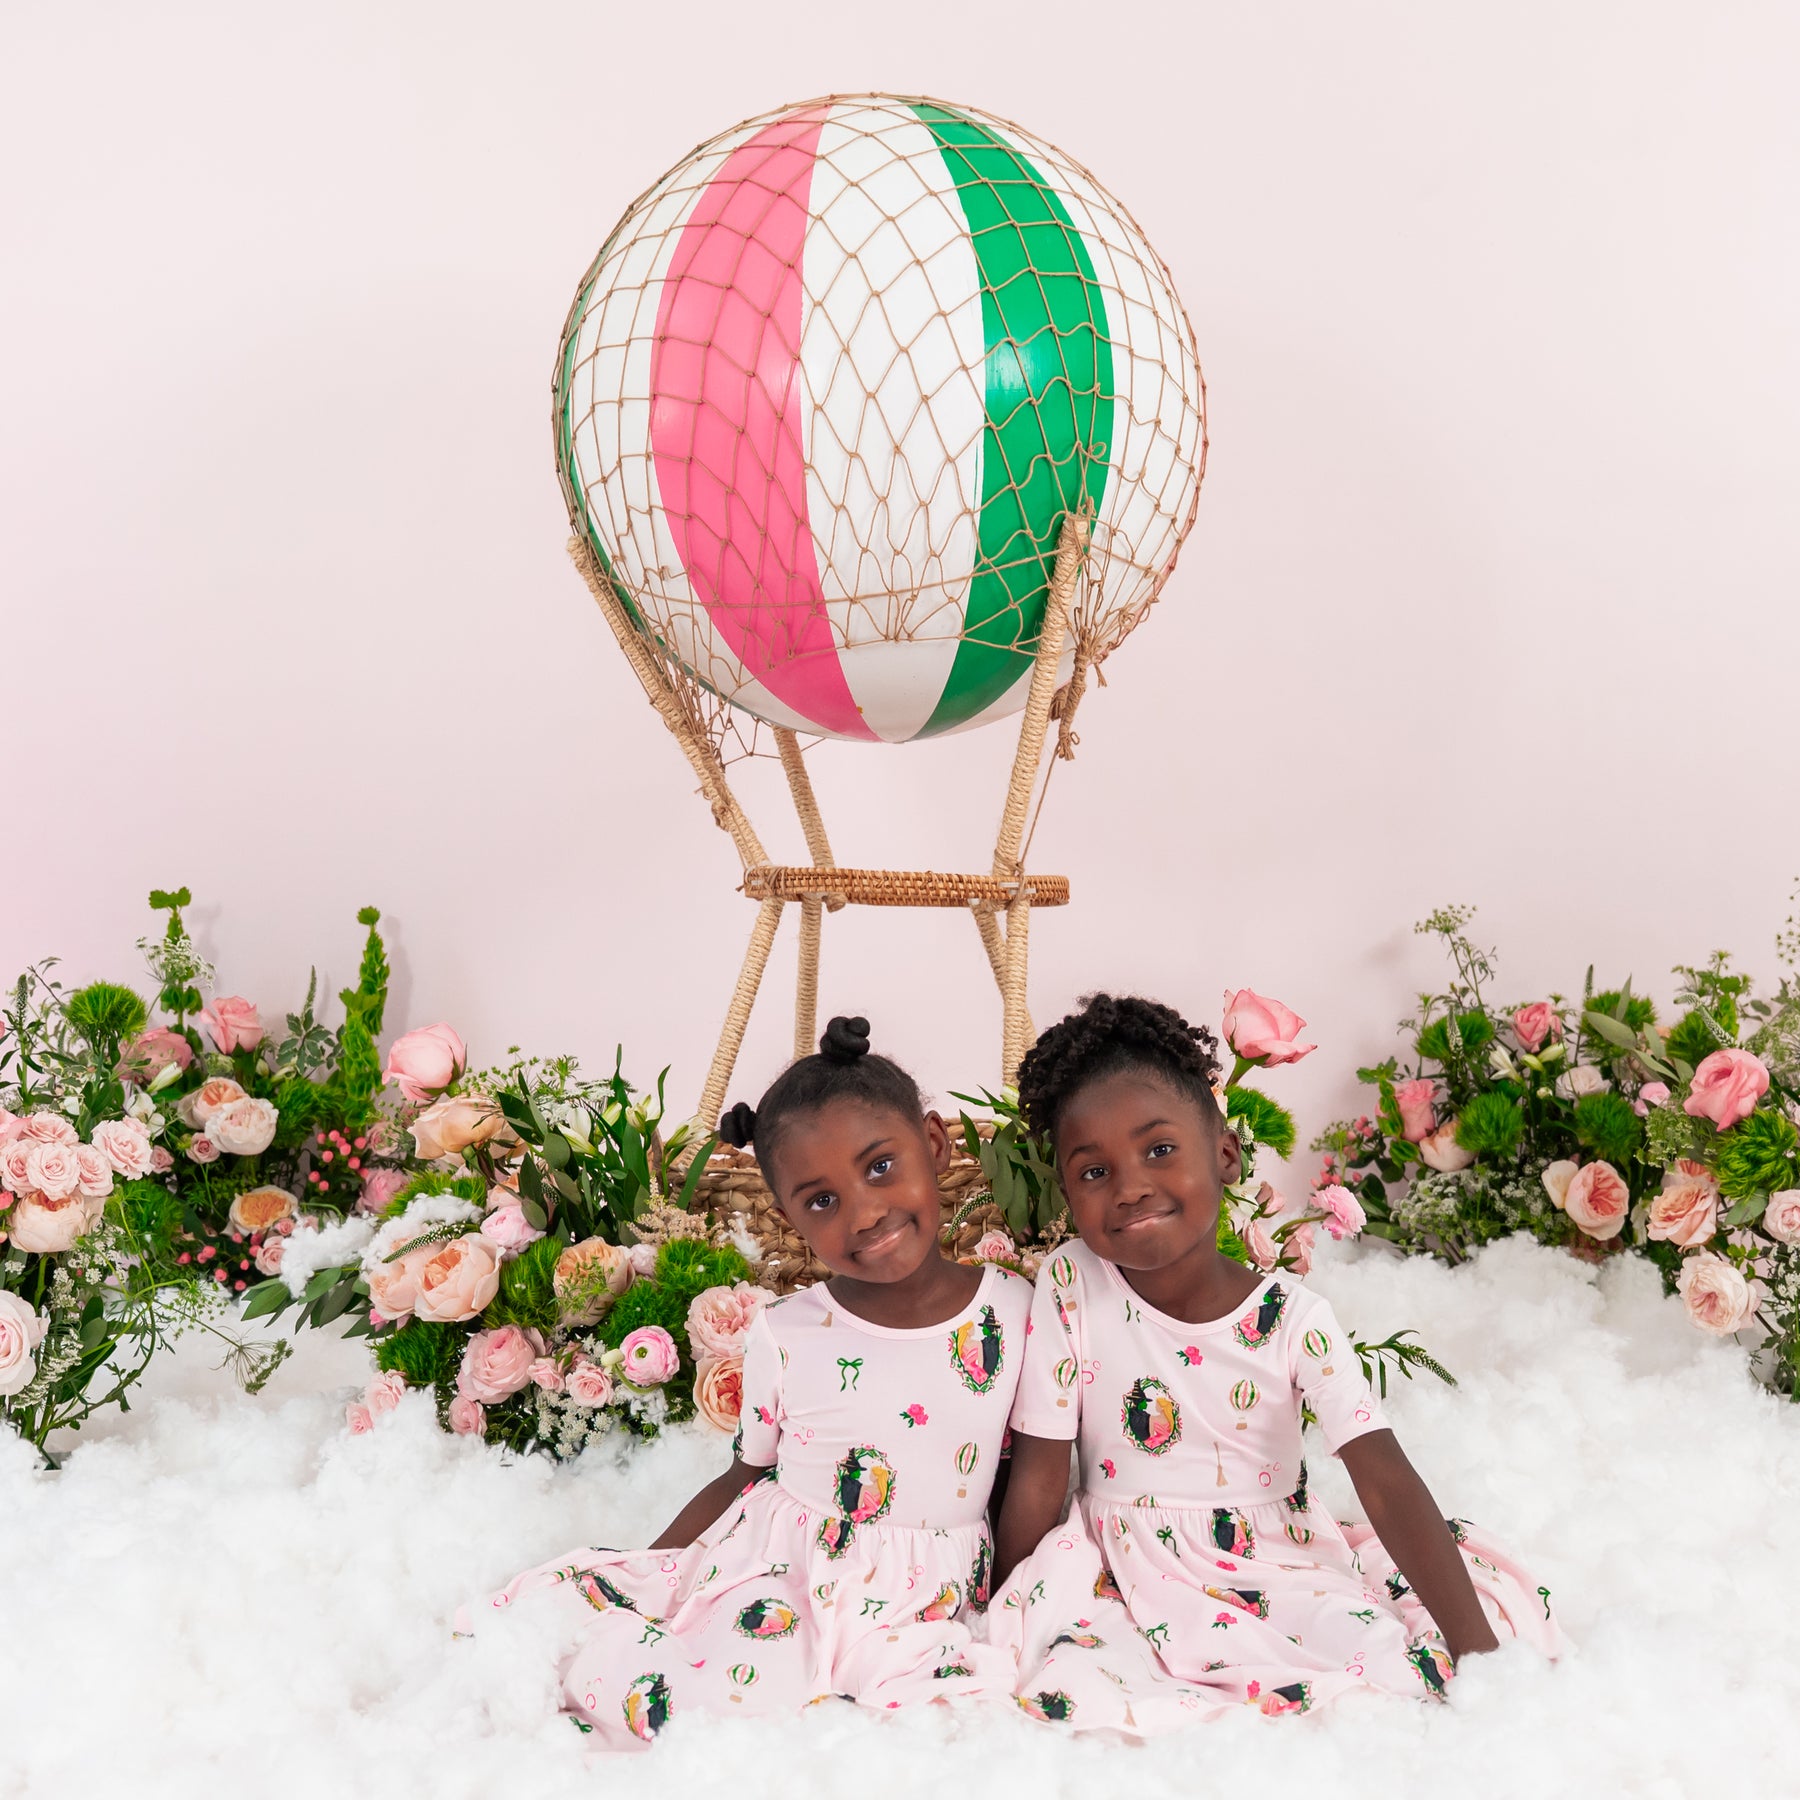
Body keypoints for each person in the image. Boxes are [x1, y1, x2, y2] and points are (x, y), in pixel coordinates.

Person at [988, 993, 1564, 1731]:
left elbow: (1382, 1478)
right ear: (1067, 1191)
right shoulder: (1072, 1282)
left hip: (1268, 1556)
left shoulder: (1293, 1321)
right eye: (1093, 1172)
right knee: (1081, 1676)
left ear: (1225, 1155)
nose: (1129, 1186)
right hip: (1118, 1561)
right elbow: (1041, 1470)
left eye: (1159, 1150)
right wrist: (1007, 1605)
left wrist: (1480, 1655)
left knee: (1387, 1664)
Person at [480, 1016, 1030, 1748]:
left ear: (934, 1144)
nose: (865, 1212)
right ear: (788, 1215)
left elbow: (1029, 1469)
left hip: (933, 1581)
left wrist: (1014, 1592)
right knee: (723, 1703)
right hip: (795, 1567)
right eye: (822, 1201)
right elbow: (750, 1475)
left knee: (933, 1727)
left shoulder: (1014, 1311)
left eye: (880, 1167)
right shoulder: (787, 1330)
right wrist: (661, 1566)